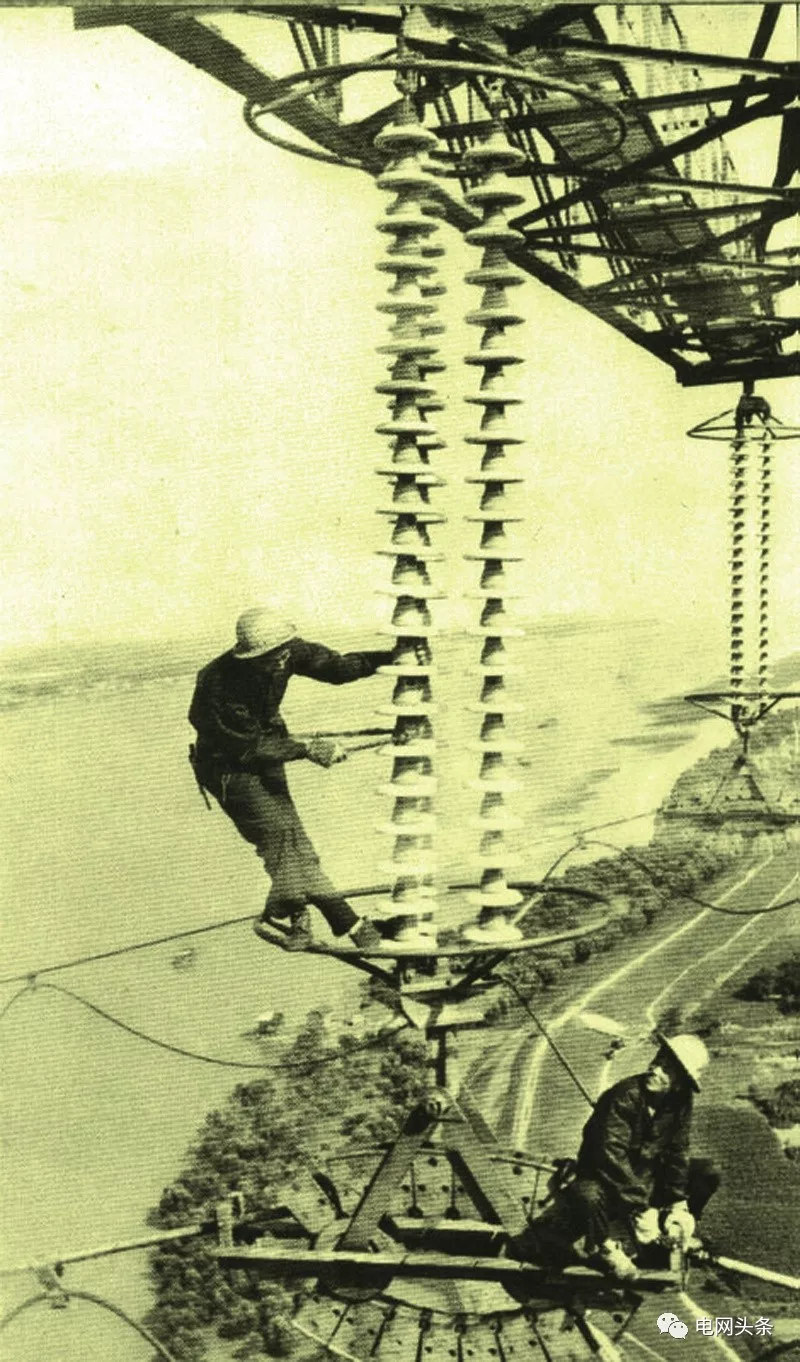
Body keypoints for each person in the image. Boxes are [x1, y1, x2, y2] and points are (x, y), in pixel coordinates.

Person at [189, 606, 393, 951]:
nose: (282, 662)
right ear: (252, 657)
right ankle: (341, 924)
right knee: (282, 844)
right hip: (228, 770)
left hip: (269, 752)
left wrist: (393, 657)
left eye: (285, 654)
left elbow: (338, 668)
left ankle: (307, 918)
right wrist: (307, 749)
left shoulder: (286, 649)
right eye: (272, 658)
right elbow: (247, 747)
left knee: (294, 844)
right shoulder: (217, 683)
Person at [511, 1034, 718, 1281]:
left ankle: (672, 1233)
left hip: (644, 1177)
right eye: (657, 1061)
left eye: (666, 1069)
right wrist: (642, 1207)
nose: (654, 1069)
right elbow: (609, 1156)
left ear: (679, 1083)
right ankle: (605, 1248)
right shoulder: (624, 1096)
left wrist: (678, 1203)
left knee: (708, 1172)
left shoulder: (680, 1102)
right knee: (587, 1195)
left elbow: (678, 1150)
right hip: (606, 1178)